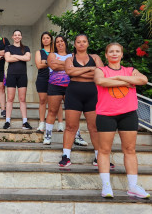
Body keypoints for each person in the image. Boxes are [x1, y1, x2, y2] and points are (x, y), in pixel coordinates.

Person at [94, 43, 150, 199]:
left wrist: (118, 77)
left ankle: (132, 187)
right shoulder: (101, 70)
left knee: (130, 149)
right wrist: (128, 82)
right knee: (104, 150)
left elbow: (143, 79)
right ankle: (106, 186)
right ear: (106, 55)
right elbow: (101, 82)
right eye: (111, 51)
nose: (114, 54)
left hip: (128, 114)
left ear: (122, 54)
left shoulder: (130, 70)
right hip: (106, 114)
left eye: (117, 51)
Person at [59, 34, 105, 167]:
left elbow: (100, 73)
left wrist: (78, 71)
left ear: (88, 44)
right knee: (70, 126)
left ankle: (98, 157)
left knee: (94, 127)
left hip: (93, 94)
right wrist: (91, 69)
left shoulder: (95, 57)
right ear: (74, 44)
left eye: (84, 41)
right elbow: (69, 72)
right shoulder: (70, 58)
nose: (81, 44)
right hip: (74, 94)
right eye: (78, 42)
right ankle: (66, 156)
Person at [43, 35, 72, 145]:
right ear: (55, 45)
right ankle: (48, 135)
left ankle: (77, 136)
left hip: (70, 86)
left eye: (62, 41)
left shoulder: (72, 55)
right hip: (55, 85)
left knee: (72, 113)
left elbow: (74, 67)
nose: (60, 43)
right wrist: (68, 65)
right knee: (52, 111)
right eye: (57, 42)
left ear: (65, 43)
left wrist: (59, 63)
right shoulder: (52, 55)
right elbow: (53, 66)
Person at [35, 31, 64, 132]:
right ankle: (42, 123)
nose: (46, 40)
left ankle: (60, 124)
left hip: (56, 78)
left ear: (51, 39)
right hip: (42, 78)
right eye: (44, 38)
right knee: (43, 101)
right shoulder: (39, 52)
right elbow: (39, 65)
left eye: (48, 38)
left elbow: (60, 64)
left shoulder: (56, 52)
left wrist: (46, 62)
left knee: (57, 101)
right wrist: (51, 62)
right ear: (42, 41)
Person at [3, 30, 32, 130]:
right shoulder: (8, 47)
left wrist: (14, 56)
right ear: (12, 37)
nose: (17, 37)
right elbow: (7, 59)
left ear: (21, 37)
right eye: (15, 35)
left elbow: (28, 58)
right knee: (10, 99)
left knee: (22, 99)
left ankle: (25, 122)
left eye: (19, 35)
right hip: (11, 75)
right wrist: (21, 57)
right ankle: (7, 121)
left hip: (22, 75)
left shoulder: (26, 48)